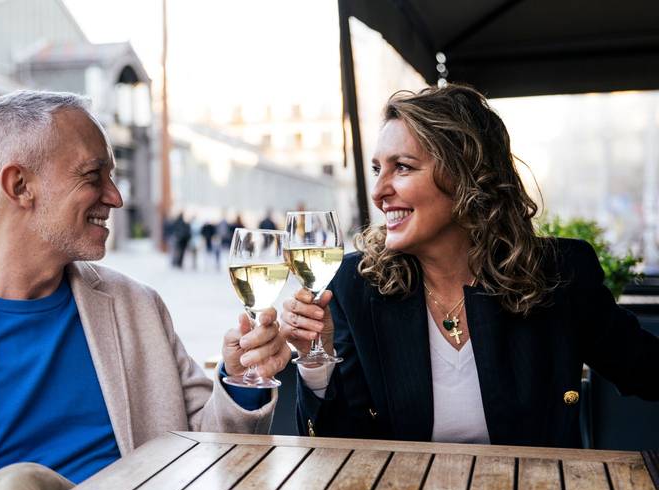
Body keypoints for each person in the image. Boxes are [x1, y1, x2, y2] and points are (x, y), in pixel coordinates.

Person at [0, 91, 290, 490]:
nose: (116, 197)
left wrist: (240, 380)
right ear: (19, 186)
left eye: (113, 175)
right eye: (93, 175)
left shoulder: (138, 307)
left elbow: (209, 451)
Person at [280, 84, 659, 448]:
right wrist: (316, 356)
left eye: (404, 167)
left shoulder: (558, 274)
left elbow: (646, 370)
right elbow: (339, 449)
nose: (379, 191)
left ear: (466, 175)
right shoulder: (357, 284)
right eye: (378, 169)